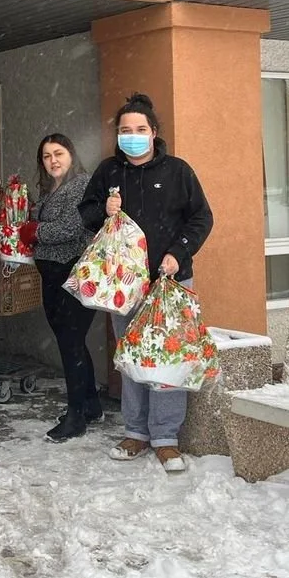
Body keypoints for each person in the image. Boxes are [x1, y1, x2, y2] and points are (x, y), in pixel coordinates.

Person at [79, 93, 213, 473]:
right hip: (125, 284)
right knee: (132, 358)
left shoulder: (178, 171)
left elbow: (201, 219)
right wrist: (102, 211)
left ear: (154, 133)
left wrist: (178, 253)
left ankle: (167, 438)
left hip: (170, 281)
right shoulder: (108, 172)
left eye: (140, 129)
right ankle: (135, 431)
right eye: (125, 131)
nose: (133, 136)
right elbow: (86, 213)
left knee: (169, 360)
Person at [19, 133, 99, 443]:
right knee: (72, 341)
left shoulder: (81, 184)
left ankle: (76, 415)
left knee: (71, 343)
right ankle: (90, 404)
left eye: (59, 153)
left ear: (71, 155)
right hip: (52, 276)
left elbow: (72, 227)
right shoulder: (50, 189)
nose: (53, 160)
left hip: (72, 274)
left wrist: (34, 231)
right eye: (46, 156)